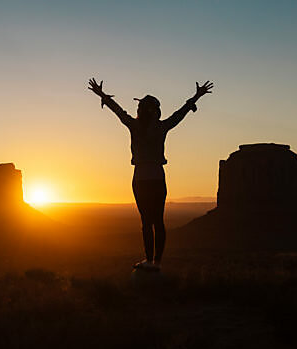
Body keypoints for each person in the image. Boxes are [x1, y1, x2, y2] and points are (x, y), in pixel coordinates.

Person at [88, 78, 213, 271]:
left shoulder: (135, 126)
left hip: (140, 179)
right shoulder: (161, 127)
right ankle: (157, 262)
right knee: (158, 221)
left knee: (146, 222)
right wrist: (196, 96)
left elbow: (118, 112)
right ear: (156, 110)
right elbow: (180, 114)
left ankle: (150, 261)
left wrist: (103, 95)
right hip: (157, 178)